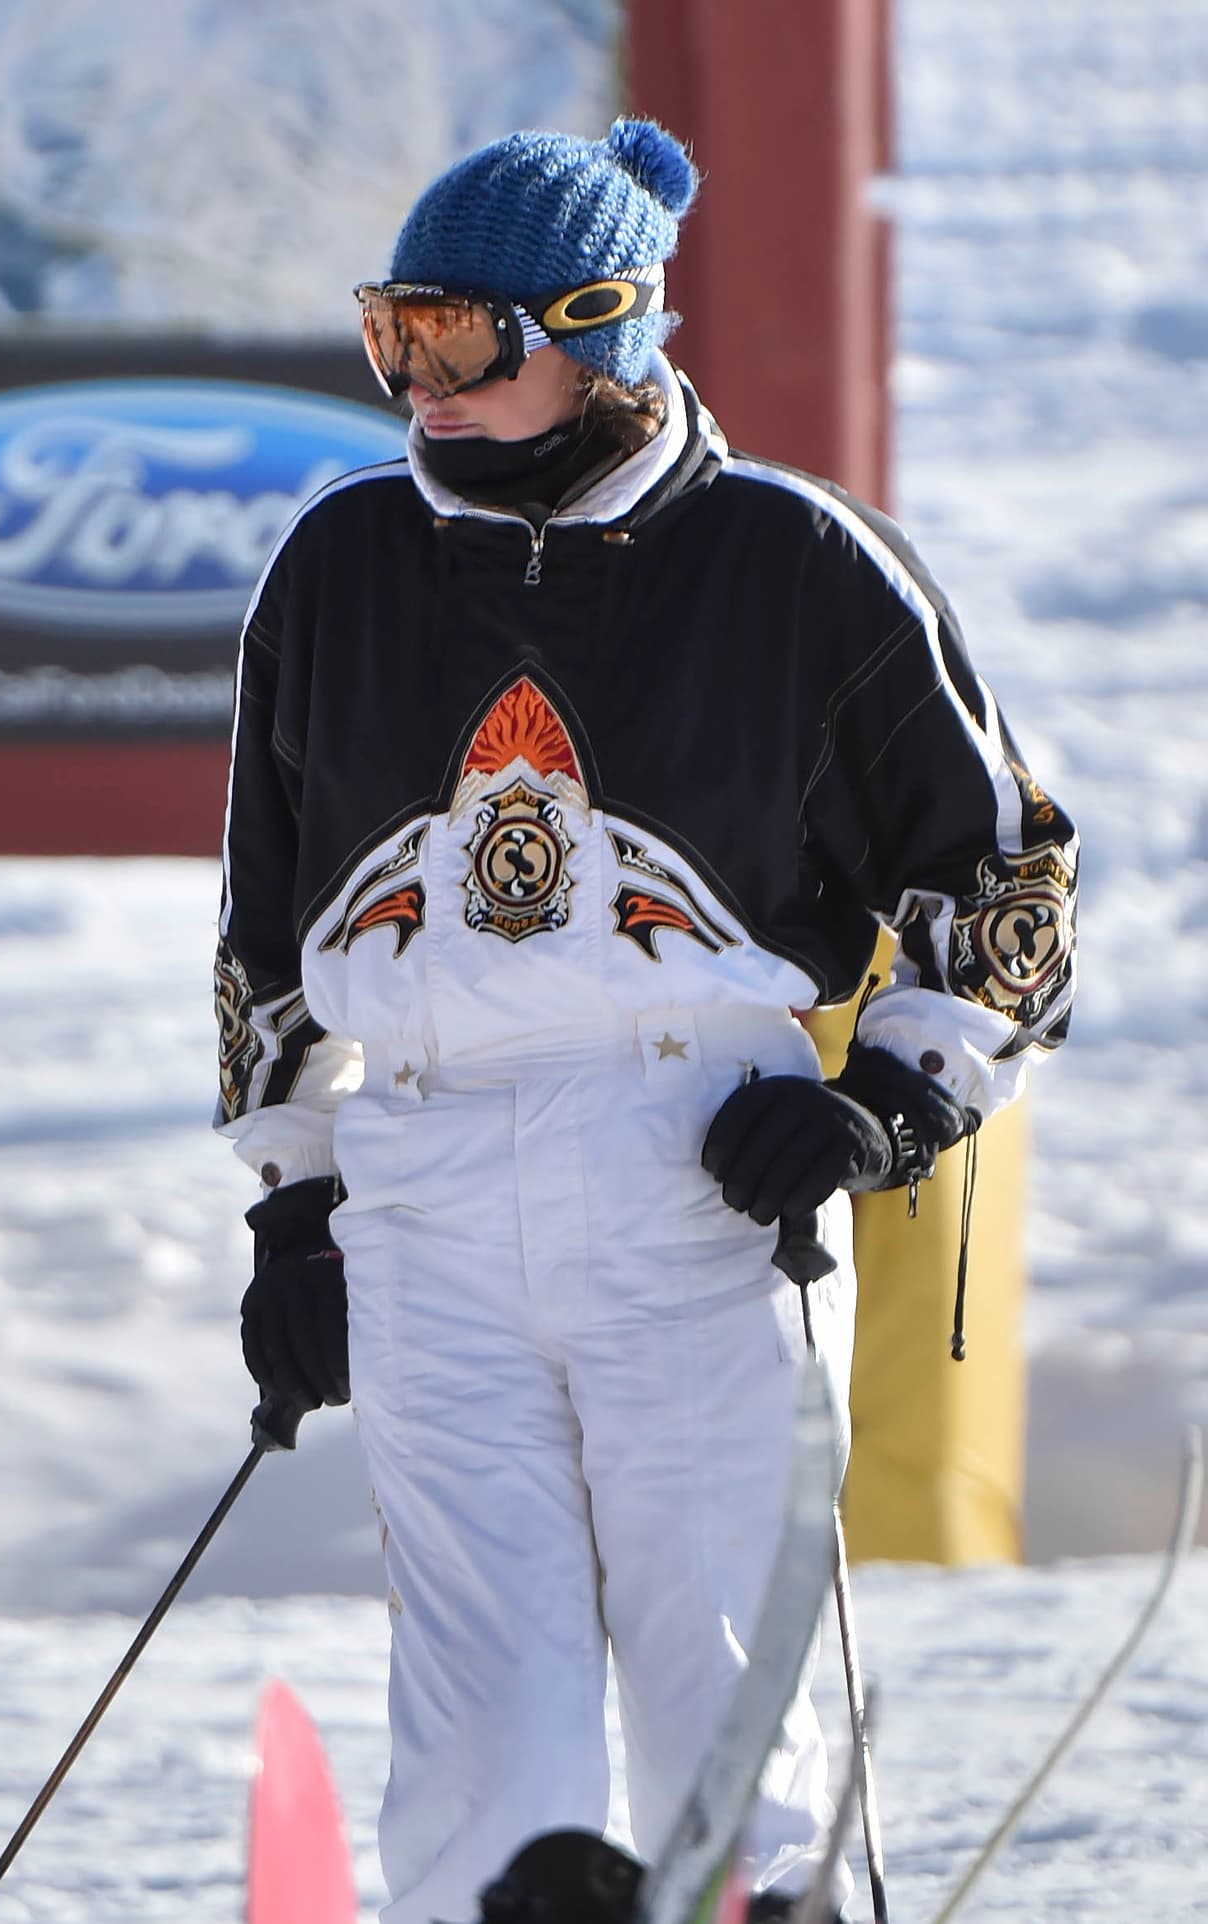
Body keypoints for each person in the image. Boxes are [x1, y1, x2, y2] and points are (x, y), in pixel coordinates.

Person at [214, 119, 1077, 1924]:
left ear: (600, 330)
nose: (416, 389)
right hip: (427, 1182)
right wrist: (295, 1205)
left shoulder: (795, 559)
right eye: (393, 339)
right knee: (475, 1708)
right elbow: (270, 928)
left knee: (723, 1686)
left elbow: (1006, 882)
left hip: (694, 1169)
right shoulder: (340, 562)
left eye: (459, 343)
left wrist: (885, 1104)